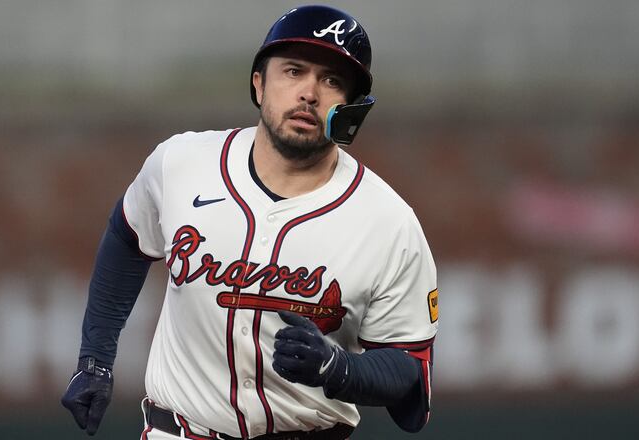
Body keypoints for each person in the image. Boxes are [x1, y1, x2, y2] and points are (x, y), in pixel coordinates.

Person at [61, 5, 438, 439]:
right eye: (293, 71)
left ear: (352, 108)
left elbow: (407, 366)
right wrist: (95, 357)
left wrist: (340, 369)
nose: (309, 93)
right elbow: (126, 237)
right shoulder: (182, 163)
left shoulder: (389, 222)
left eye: (332, 80)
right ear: (259, 84)